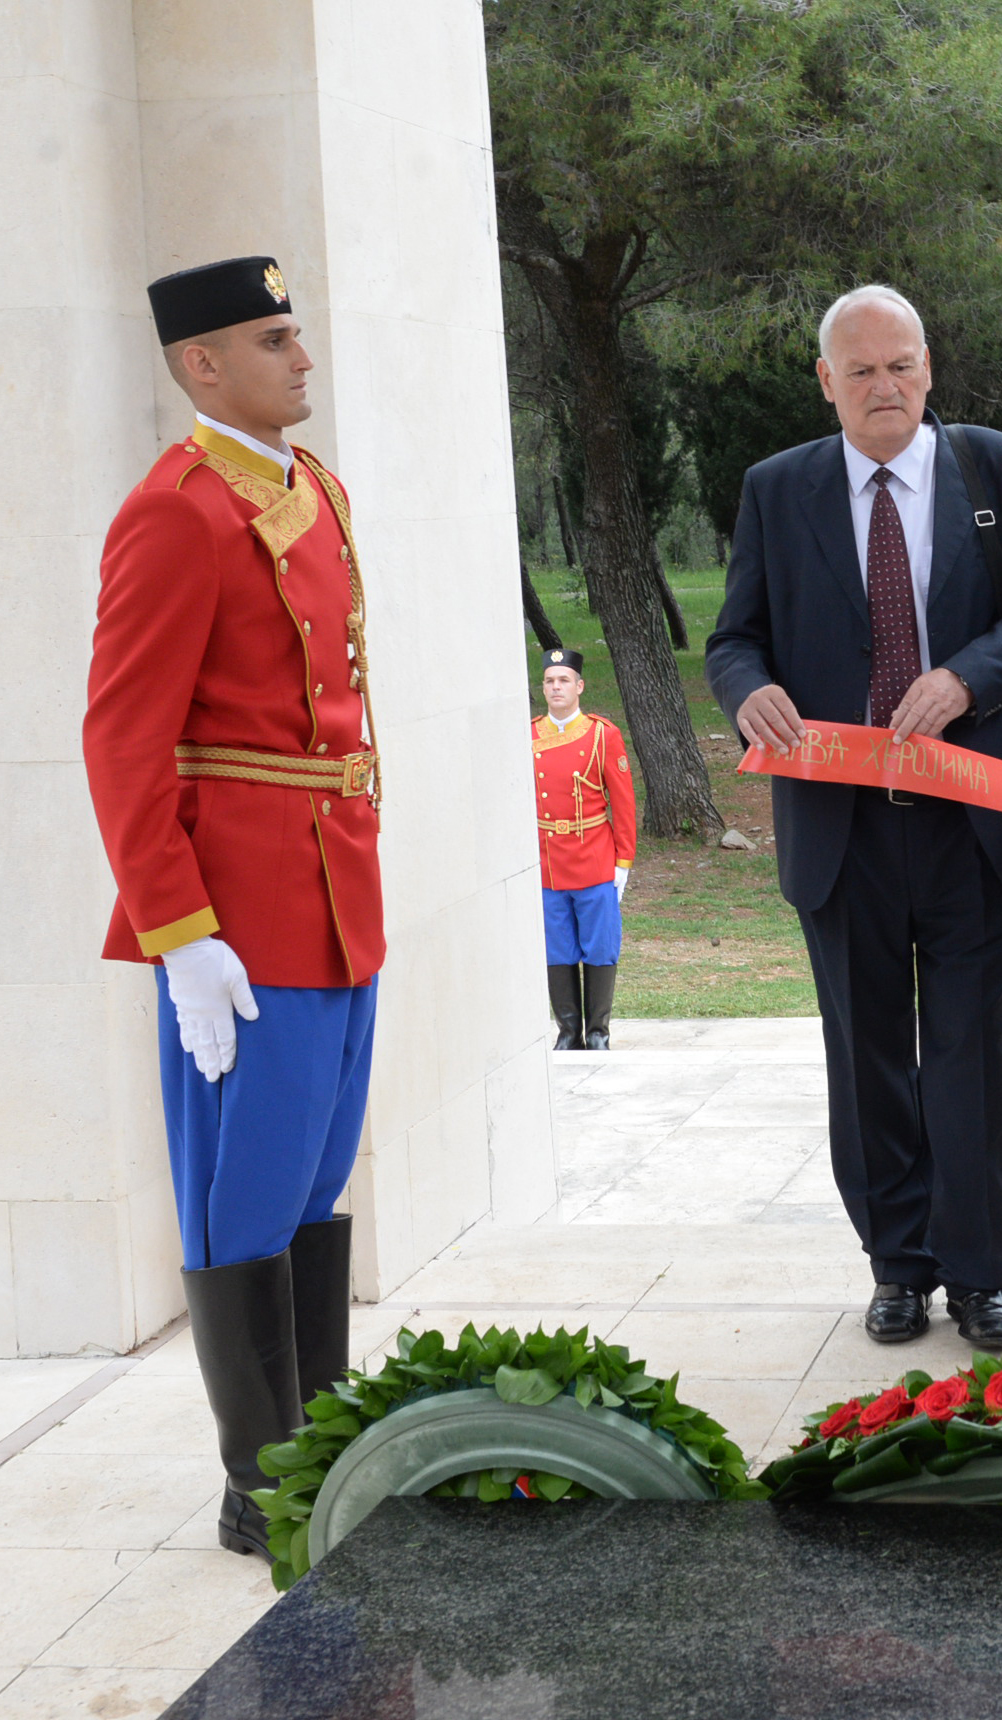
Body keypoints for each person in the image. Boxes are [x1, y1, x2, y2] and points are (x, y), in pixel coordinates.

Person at [706, 285, 1002, 1352]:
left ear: (930, 367)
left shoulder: (1001, 471)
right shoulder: (776, 490)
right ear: (826, 382)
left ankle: (977, 1270)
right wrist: (746, 691)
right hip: (840, 824)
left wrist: (965, 679)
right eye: (862, 370)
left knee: (972, 1049)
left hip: (972, 816)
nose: (887, 387)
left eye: (903, 365)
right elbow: (735, 636)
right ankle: (897, 1265)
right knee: (865, 1049)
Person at [84, 256, 379, 1559]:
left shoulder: (312, 488)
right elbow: (122, 742)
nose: (301, 357)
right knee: (242, 1200)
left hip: (337, 891)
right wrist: (179, 933)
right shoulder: (178, 513)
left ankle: (319, 1444)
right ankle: (258, 1485)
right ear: (201, 365)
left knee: (316, 1187)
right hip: (244, 916)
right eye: (273, 340)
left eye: (296, 333)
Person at [533, 648, 637, 1050]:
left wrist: (623, 861)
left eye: (563, 681)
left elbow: (623, 803)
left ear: (579, 686)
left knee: (599, 945)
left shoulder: (602, 734)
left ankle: (597, 1032)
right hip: (548, 862)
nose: (556, 688)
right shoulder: (528, 735)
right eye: (549, 681)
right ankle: (567, 1031)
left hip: (593, 856)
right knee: (556, 946)